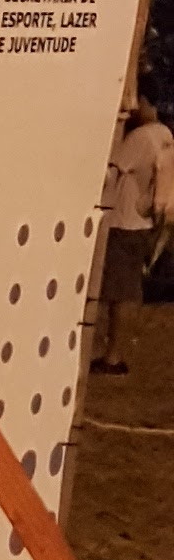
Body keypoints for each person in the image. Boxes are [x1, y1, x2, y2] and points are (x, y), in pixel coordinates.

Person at [93, 94, 173, 377]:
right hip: (142, 221)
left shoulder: (141, 137)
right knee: (126, 291)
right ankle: (114, 353)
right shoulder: (164, 135)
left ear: (147, 101)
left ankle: (112, 356)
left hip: (124, 222)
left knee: (118, 294)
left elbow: (111, 167)